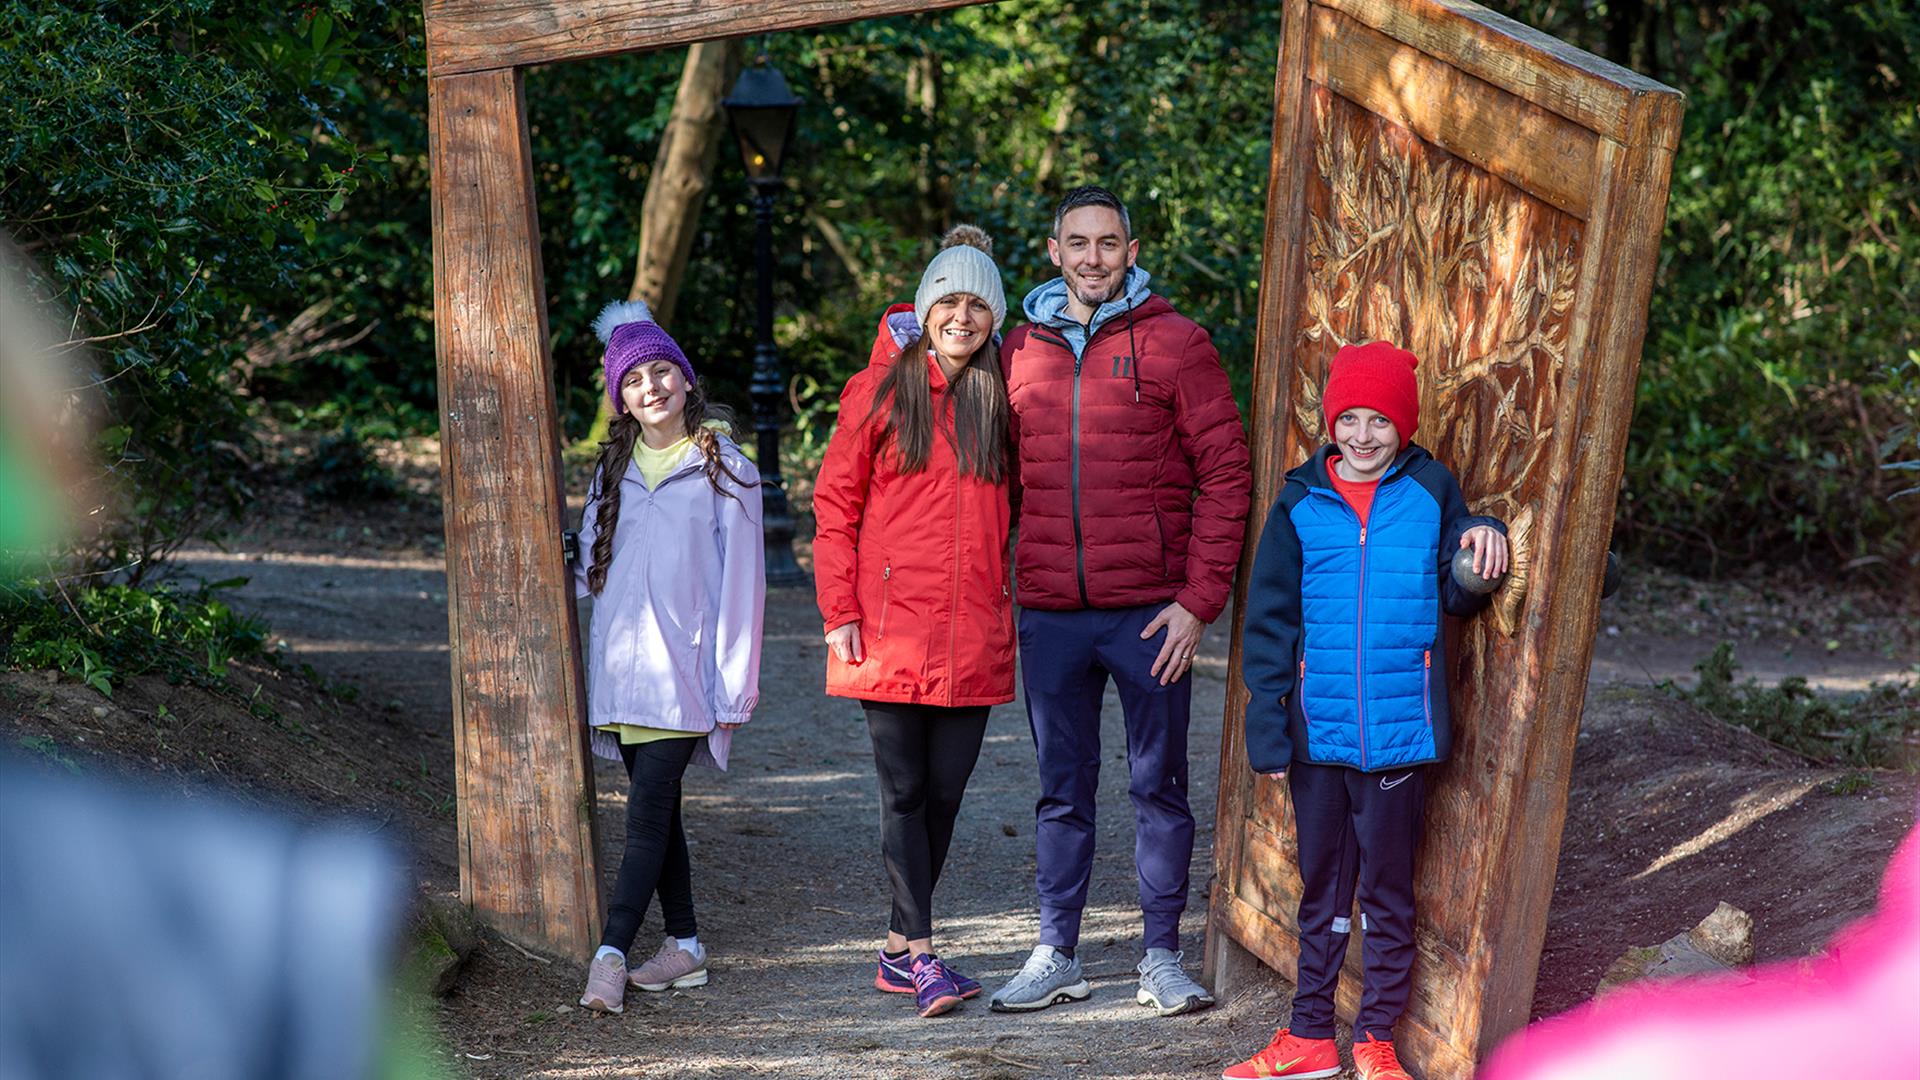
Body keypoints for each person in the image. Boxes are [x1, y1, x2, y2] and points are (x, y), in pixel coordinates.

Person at [989, 185, 1252, 1017]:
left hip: (1151, 617)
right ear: (1053, 251)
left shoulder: (1179, 345)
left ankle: (1161, 958)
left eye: (1109, 243)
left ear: (1131, 252)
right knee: (1061, 787)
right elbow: (985, 472)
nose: (1094, 257)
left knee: (1157, 786)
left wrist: (1199, 602)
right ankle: (1056, 951)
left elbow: (1227, 476)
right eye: (1079, 243)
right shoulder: (1016, 353)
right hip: (1052, 615)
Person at [1222, 341, 1509, 1080]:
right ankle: (1311, 1034)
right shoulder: (1299, 499)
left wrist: (1485, 551)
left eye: (1378, 420)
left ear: (1402, 425)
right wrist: (1269, 728)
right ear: (1331, 422)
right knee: (1323, 890)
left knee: (1385, 893)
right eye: (1348, 418)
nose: (1362, 435)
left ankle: (1375, 1040)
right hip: (1319, 736)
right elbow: (1270, 621)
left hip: (1400, 734)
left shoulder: (1431, 489)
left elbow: (1459, 578)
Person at [812, 225, 1014, 1019]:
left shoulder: (1000, 399)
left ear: (993, 317)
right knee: (903, 794)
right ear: (926, 309)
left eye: (977, 305)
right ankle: (926, 956)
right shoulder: (879, 392)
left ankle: (896, 950)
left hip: (972, 630)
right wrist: (840, 611)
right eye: (949, 302)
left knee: (945, 795)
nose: (962, 317)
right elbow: (835, 507)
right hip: (889, 629)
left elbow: (1019, 510)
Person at [574, 299, 766, 1015]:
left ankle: (611, 954)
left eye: (661, 372)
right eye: (633, 381)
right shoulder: (612, 469)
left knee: (647, 817)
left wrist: (733, 692)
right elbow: (591, 573)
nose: (649, 387)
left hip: (683, 677)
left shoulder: (726, 469)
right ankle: (684, 945)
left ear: (685, 380)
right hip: (621, 679)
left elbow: (744, 589)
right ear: (620, 398)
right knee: (663, 817)